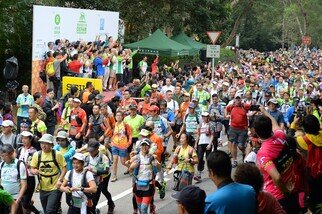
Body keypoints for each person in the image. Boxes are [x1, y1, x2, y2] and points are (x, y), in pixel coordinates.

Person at [253, 106, 300, 213]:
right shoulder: (280, 135)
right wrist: (265, 112)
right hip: (292, 185)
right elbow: (274, 122)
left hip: (278, 195)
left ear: (255, 131)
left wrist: (286, 192)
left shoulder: (263, 153)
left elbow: (277, 177)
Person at [30, 134, 67, 214]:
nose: (43, 145)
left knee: (49, 211)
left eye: (46, 143)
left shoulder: (57, 154)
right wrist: (34, 171)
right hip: (42, 188)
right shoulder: (37, 155)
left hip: (55, 188)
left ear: (51, 144)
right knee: (46, 209)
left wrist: (60, 180)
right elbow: (32, 168)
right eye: (42, 143)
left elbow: (64, 168)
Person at [292, 115, 322, 213]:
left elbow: (288, 139)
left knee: (314, 195)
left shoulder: (301, 140)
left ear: (304, 127)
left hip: (311, 173)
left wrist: (293, 124)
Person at [129, 138, 161, 214]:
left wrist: (157, 164)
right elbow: (130, 168)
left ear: (149, 147)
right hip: (138, 186)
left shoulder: (152, 157)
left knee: (143, 209)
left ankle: (152, 206)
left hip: (148, 186)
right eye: (143, 145)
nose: (144, 147)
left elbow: (159, 169)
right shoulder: (137, 157)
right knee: (140, 210)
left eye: (146, 145)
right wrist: (132, 165)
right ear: (140, 146)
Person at [84, 140, 115, 214]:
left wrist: (94, 170)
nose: (90, 153)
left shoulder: (103, 157)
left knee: (103, 190)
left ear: (97, 149)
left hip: (103, 177)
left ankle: (110, 203)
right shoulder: (87, 156)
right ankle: (93, 209)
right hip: (92, 177)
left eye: (92, 151)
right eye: (89, 151)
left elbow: (106, 171)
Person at [16, 131, 40, 214]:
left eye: (26, 138)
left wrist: (28, 166)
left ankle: (37, 212)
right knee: (21, 199)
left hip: (30, 178)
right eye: (22, 138)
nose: (23, 140)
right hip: (20, 178)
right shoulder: (19, 149)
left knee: (25, 204)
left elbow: (35, 166)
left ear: (30, 139)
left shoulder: (34, 151)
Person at [0, 144, 27, 214]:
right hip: (3, 198)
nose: (3, 158)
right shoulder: (1, 165)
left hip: (15, 198)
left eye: (4, 156)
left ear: (11, 153)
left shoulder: (19, 164)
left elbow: (24, 185)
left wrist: (18, 200)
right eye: (1, 156)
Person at [226, 93, 251, 167]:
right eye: (236, 99)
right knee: (233, 144)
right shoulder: (231, 106)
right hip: (233, 128)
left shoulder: (244, 106)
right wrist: (226, 115)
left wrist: (252, 113)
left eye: (239, 98)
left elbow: (252, 107)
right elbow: (226, 109)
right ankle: (235, 160)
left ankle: (247, 155)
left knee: (240, 146)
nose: (237, 100)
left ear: (241, 99)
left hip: (242, 129)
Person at [110, 111, 132, 181]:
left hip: (123, 145)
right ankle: (114, 175)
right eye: (117, 115)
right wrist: (111, 141)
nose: (118, 117)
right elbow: (112, 133)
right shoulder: (114, 124)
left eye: (120, 115)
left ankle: (131, 167)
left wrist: (129, 143)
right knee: (115, 159)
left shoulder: (125, 125)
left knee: (123, 162)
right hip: (115, 144)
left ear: (122, 117)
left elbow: (130, 134)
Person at [194, 112, 214, 182]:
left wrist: (210, 144)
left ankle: (210, 172)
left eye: (205, 117)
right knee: (199, 158)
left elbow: (212, 135)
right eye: (202, 116)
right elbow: (198, 134)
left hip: (207, 143)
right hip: (201, 143)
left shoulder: (210, 124)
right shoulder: (200, 124)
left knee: (208, 158)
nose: (203, 118)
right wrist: (196, 144)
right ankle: (199, 174)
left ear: (208, 117)